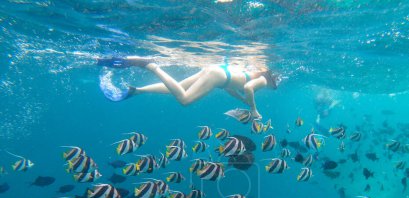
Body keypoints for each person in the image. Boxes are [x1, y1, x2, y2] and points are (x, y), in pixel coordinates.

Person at [97, 56, 278, 119]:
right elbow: (248, 88)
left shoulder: (249, 72)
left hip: (218, 71)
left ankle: (138, 90)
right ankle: (151, 66)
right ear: (271, 80)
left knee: (177, 87)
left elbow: (230, 88)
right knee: (184, 99)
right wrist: (254, 109)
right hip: (218, 76)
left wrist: (244, 101)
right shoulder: (262, 80)